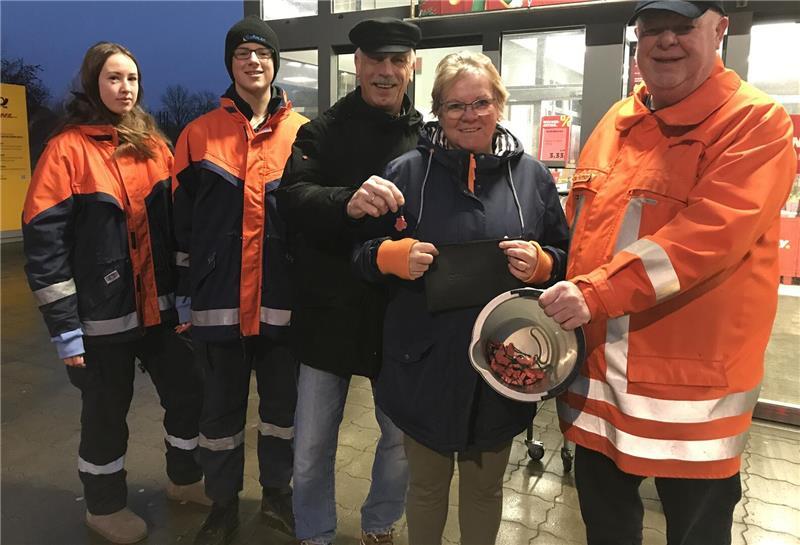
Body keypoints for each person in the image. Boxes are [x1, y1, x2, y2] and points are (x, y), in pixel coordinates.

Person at [537, 2, 798, 544]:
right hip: (600, 390)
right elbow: (585, 235)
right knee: (606, 530)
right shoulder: (616, 122)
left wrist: (595, 292)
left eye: (684, 26)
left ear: (720, 29)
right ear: (637, 36)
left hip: (688, 401)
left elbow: (709, 235)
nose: (667, 41)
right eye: (654, 28)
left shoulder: (754, 122)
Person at [352, 50, 569, 545]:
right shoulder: (405, 173)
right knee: (426, 487)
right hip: (422, 361)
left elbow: (566, 253)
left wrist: (543, 263)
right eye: (455, 106)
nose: (469, 115)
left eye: (481, 102)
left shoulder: (531, 176)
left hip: (504, 364)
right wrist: (389, 256)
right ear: (437, 110)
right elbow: (359, 255)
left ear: (499, 104)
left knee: (485, 487)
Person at [21, 42, 209, 545]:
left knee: (188, 392)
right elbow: (44, 245)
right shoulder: (66, 150)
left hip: (162, 310)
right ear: (92, 84)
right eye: (113, 78)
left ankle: (185, 480)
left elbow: (179, 227)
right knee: (106, 412)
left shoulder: (155, 145)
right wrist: (65, 331)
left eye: (131, 79)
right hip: (100, 320)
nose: (124, 88)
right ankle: (103, 508)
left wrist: (186, 293)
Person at [276, 17, 424, 545]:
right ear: (357, 65)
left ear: (412, 67)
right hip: (329, 312)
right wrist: (348, 201)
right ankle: (314, 533)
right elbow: (292, 199)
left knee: (401, 439)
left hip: (398, 313)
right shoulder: (320, 131)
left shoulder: (426, 136)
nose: (386, 72)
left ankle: (380, 524)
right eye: (375, 60)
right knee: (313, 443)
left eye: (397, 61)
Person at [171, 16, 308, 545]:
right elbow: (179, 227)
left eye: (263, 53)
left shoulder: (303, 134)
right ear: (230, 65)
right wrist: (184, 300)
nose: (253, 61)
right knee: (220, 417)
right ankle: (221, 505)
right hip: (217, 306)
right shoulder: (197, 134)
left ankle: (278, 499)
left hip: (282, 305)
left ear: (275, 64)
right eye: (242, 53)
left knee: (281, 415)